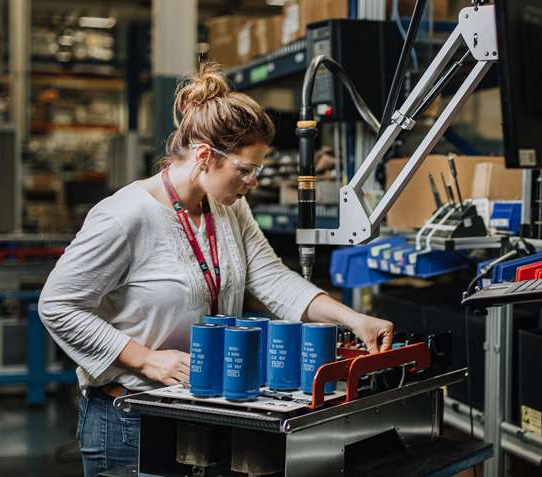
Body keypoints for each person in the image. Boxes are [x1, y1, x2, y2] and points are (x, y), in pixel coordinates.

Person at [38, 62, 394, 477]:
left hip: (204, 413)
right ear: (205, 156)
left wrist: (354, 319)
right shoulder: (124, 217)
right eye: (245, 170)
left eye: (257, 170)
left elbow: (273, 280)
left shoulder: (229, 209)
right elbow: (59, 305)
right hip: (131, 419)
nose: (253, 182)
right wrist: (146, 359)